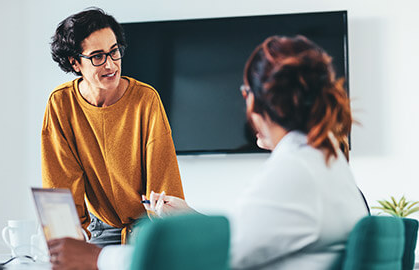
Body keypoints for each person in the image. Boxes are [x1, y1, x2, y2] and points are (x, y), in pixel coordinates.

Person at [47, 35, 369, 270]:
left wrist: (98, 257)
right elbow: (249, 238)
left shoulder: (296, 173)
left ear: (257, 101)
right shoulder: (328, 164)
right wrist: (191, 216)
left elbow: (212, 257)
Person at [41, 7, 184, 248]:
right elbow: (60, 190)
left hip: (147, 228)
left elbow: (163, 187)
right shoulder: (61, 104)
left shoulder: (146, 100)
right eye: (98, 56)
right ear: (75, 63)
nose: (111, 65)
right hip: (99, 228)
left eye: (114, 51)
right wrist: (67, 247)